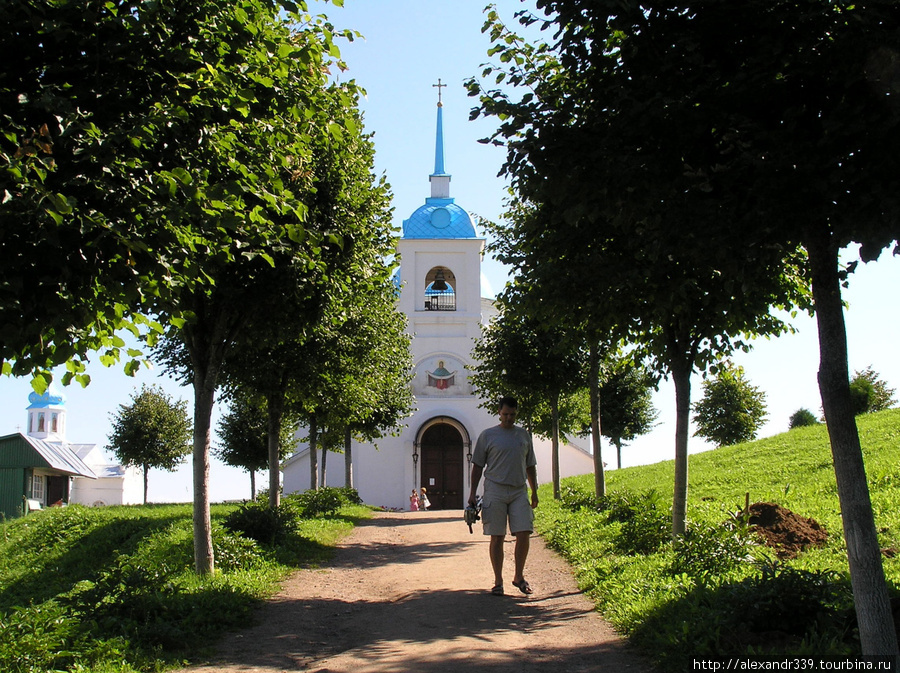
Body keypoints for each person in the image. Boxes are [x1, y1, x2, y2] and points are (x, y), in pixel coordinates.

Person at [468, 396, 539, 596]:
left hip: (518, 490)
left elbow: (530, 465)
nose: (509, 418)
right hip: (495, 489)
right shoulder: (488, 436)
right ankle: (498, 581)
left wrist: (534, 491)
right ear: (499, 412)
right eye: (506, 414)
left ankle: (518, 576)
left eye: (513, 414)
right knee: (497, 536)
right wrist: (473, 492)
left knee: (524, 532)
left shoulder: (523, 435)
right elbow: (478, 466)